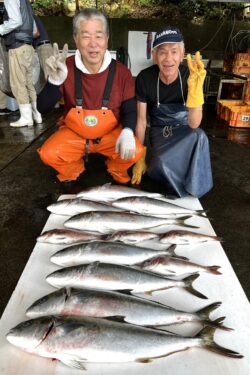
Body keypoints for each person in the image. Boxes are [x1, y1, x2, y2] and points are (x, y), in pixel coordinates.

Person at [37, 8, 144, 185]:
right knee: (48, 153)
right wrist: (54, 82)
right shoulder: (63, 67)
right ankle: (72, 169)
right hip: (74, 134)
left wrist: (127, 131)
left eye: (99, 36)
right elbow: (42, 107)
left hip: (110, 136)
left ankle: (117, 167)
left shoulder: (122, 72)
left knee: (136, 150)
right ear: (75, 39)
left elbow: (130, 109)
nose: (93, 44)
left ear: (107, 39)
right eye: (86, 36)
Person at [131, 26, 213, 198]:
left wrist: (196, 93)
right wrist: (140, 157)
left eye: (174, 51)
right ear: (154, 56)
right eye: (162, 52)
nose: (168, 59)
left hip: (185, 127)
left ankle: (193, 189)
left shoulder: (190, 76)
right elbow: (141, 121)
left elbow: (194, 124)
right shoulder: (145, 78)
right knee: (161, 163)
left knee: (199, 136)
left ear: (182, 54)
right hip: (160, 130)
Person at [0, 0, 42, 127]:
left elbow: (16, 21)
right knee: (28, 83)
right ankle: (35, 115)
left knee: (18, 83)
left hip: (17, 46)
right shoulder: (26, 3)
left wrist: (1, 29)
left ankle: (26, 118)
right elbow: (35, 30)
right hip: (28, 47)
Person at [33, 15, 53, 80]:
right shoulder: (33, 16)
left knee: (48, 76)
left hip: (43, 47)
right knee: (44, 76)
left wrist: (23, 37)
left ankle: (52, 90)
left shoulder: (30, 17)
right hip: (44, 46)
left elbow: (37, 33)